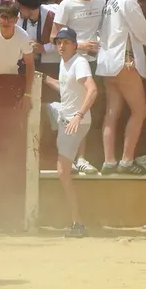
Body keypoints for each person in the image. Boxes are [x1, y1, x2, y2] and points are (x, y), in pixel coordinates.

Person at [96, 0, 146, 175]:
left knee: (112, 112)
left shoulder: (111, 0)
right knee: (140, 111)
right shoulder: (128, 1)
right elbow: (141, 30)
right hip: (124, 62)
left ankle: (109, 161)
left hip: (107, 64)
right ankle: (126, 161)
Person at [44, 27, 98, 238]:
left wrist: (79, 114)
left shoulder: (80, 62)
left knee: (61, 172)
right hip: (64, 114)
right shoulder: (64, 62)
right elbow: (66, 88)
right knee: (43, 109)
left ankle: (78, 223)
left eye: (66, 42)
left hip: (74, 121)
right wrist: (44, 79)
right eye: (59, 42)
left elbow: (93, 89)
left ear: (75, 45)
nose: (61, 45)